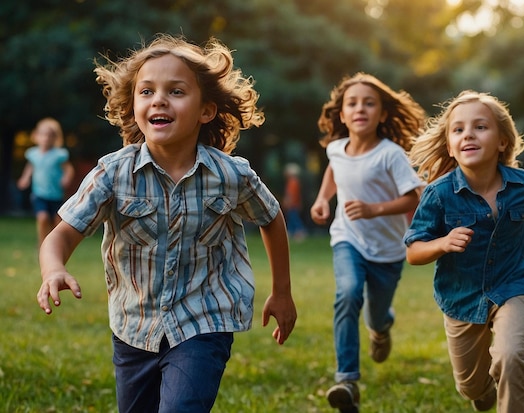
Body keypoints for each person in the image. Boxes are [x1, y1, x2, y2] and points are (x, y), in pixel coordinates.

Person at [35, 34, 297, 413]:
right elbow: (60, 235)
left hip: (204, 321)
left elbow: (271, 218)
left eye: (175, 91)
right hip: (134, 327)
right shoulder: (113, 174)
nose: (159, 99)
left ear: (206, 110)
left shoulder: (231, 175)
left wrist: (283, 292)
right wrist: (53, 268)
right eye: (147, 92)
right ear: (135, 106)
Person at [403, 90, 524, 412]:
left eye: (480, 127)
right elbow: (414, 251)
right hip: (461, 297)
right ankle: (485, 390)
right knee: (470, 386)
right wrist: (442, 243)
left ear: (502, 141)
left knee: (511, 355)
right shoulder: (438, 194)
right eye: (458, 129)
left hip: (514, 285)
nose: (468, 135)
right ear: (450, 145)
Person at [310, 73, 425, 413]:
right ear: (342, 114)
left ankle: (381, 327)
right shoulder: (335, 149)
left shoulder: (390, 155)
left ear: (383, 114)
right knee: (347, 293)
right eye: (353, 103)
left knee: (376, 314)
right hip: (347, 238)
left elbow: (413, 198)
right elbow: (334, 169)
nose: (360, 108)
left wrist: (375, 209)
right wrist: (322, 199)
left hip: (388, 251)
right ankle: (347, 379)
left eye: (369, 103)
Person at [17, 117, 75, 248]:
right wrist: (25, 178)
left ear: (55, 138)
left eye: (50, 136)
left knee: (57, 222)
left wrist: (66, 177)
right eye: (43, 135)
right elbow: (30, 167)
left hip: (55, 195)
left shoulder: (59, 154)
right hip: (39, 194)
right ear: (36, 136)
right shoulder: (33, 154)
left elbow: (69, 169)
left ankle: (55, 246)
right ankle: (42, 245)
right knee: (42, 218)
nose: (46, 138)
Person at [282, 162, 307, 241]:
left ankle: (300, 231)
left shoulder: (292, 182)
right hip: (295, 203)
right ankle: (291, 232)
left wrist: (287, 202)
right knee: (292, 218)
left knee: (294, 218)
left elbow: (291, 194)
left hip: (293, 204)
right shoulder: (295, 181)